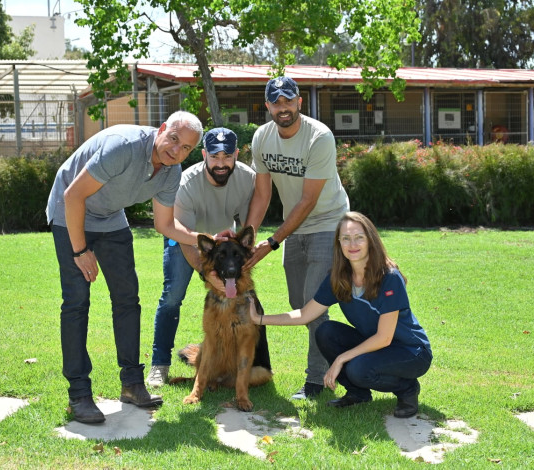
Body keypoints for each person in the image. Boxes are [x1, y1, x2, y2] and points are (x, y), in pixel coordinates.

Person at [46, 111, 204, 424]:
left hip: (109, 217)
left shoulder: (171, 173)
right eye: (173, 138)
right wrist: (80, 250)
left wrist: (205, 238)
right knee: (77, 301)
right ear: (162, 130)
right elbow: (73, 194)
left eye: (186, 147)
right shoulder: (124, 146)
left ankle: (132, 384)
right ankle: (79, 394)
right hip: (70, 211)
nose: (176, 150)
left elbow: (165, 225)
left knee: (127, 299)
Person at [248, 211, 432, 418]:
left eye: (359, 237)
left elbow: (385, 337)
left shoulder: (389, 277)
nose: (352, 244)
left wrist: (340, 359)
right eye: (345, 238)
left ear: (370, 240)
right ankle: (358, 394)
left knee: (358, 369)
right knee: (326, 331)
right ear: (339, 244)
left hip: (411, 351)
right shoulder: (339, 277)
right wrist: (259, 319)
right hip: (376, 343)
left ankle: (407, 389)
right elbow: (305, 314)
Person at [245, 76, 350, 400]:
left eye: (288, 101)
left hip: (327, 222)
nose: (283, 108)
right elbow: (262, 194)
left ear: (299, 102)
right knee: (297, 303)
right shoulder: (262, 137)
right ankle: (341, 353)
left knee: (312, 306)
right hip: (297, 227)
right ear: (268, 106)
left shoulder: (319, 137)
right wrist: (247, 239)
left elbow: (307, 201)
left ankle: (316, 381)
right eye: (276, 103)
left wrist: (272, 242)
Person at [146, 127, 259, 387]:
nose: (221, 163)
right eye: (215, 157)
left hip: (223, 244)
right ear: (204, 154)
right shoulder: (185, 181)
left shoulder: (247, 179)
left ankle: (238, 366)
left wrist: (237, 250)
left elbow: (246, 228)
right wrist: (206, 271)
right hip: (184, 238)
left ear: (236, 155)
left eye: (227, 157)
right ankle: (159, 365)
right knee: (173, 295)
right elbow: (183, 234)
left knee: (243, 297)